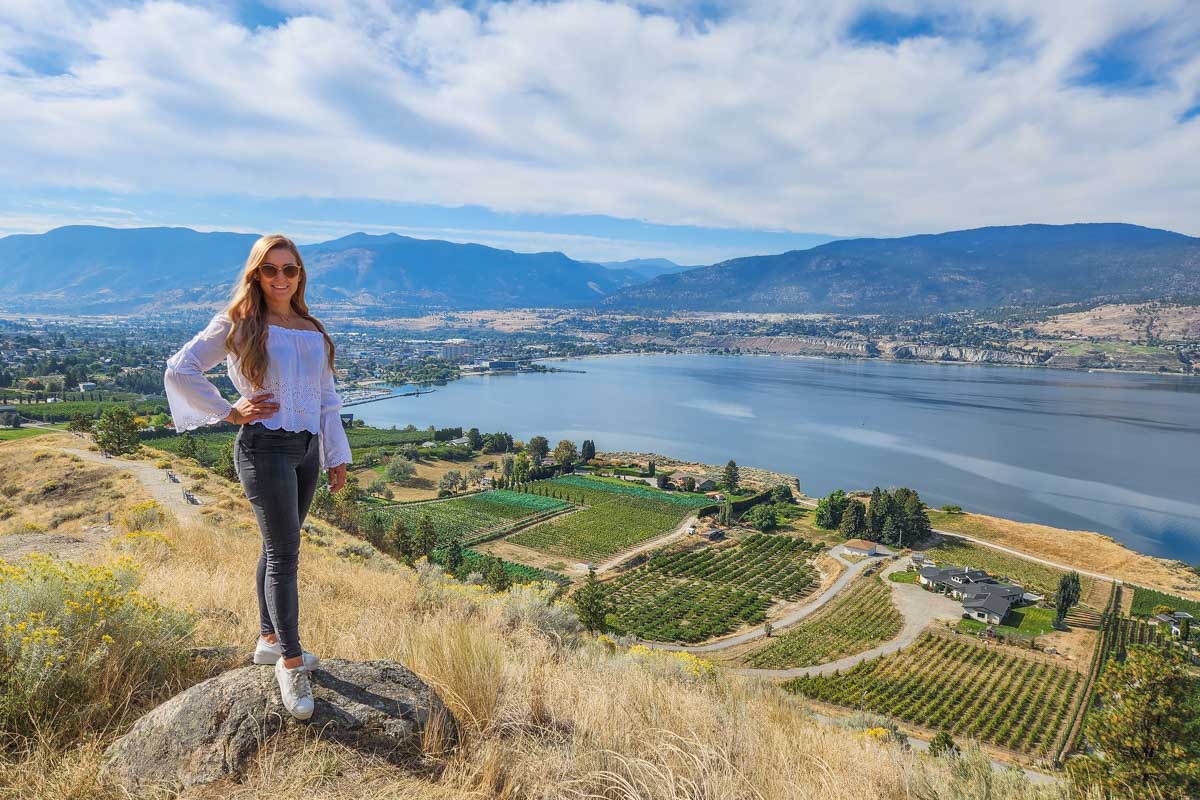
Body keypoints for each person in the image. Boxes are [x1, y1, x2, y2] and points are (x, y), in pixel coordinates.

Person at [163, 234, 351, 720]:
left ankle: (269, 640)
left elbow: (326, 397)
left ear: (300, 275)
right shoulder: (239, 322)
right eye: (271, 270)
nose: (282, 278)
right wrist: (229, 412)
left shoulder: (310, 326)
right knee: (286, 552)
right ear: (256, 275)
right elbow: (181, 369)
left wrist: (335, 453)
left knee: (275, 548)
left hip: (307, 448)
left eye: (290, 270)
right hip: (264, 445)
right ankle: (291, 662)